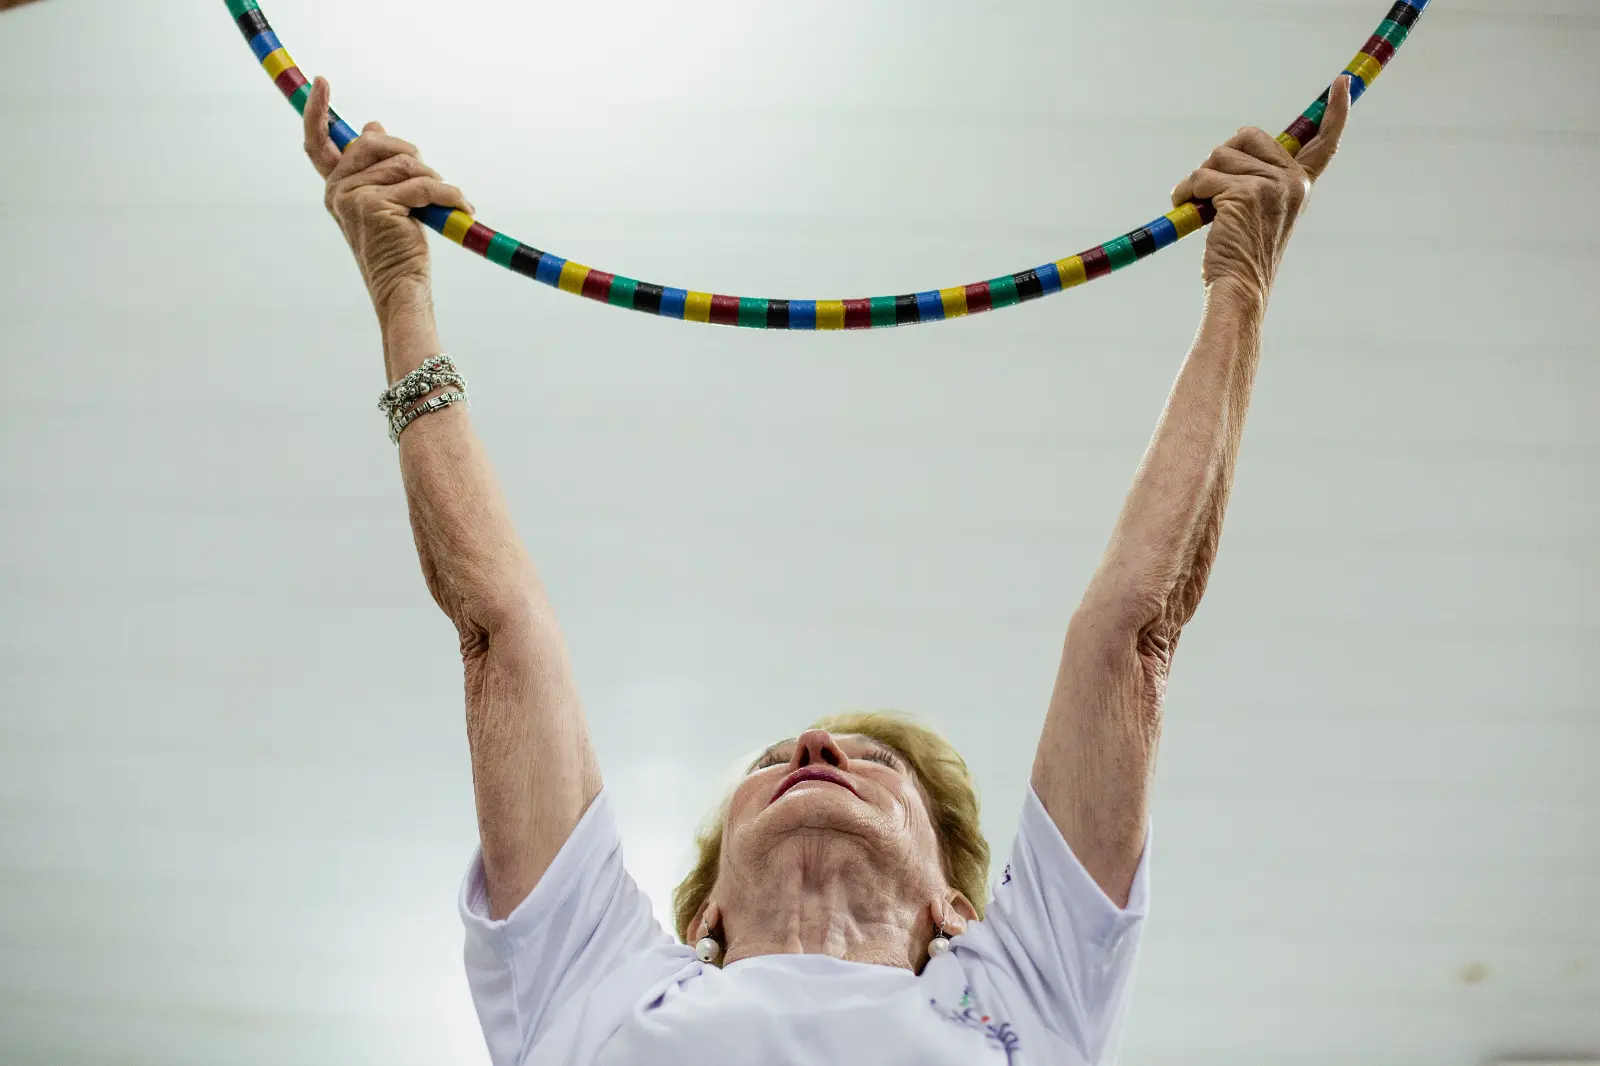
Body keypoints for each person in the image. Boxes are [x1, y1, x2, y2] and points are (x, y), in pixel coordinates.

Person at [300, 71, 1352, 1066]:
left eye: (872, 765)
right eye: (781, 758)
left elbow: (1134, 634)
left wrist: (1239, 288)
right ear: (701, 914)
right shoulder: (601, 978)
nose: (812, 745)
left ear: (958, 909)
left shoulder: (1022, 988)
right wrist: (400, 294)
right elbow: (500, 628)